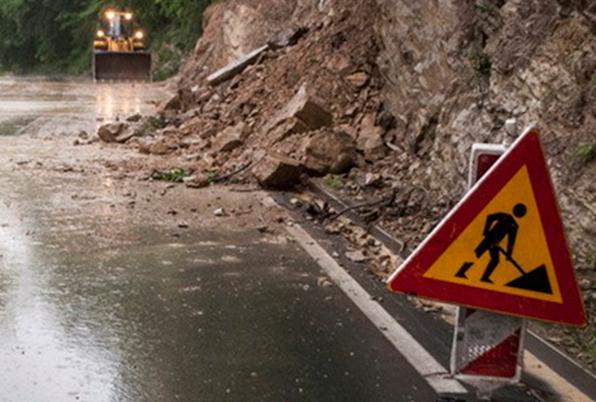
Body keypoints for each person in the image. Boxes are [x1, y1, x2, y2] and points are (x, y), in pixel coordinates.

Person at [456, 203, 527, 283]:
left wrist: (509, 254)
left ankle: (484, 277)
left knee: (495, 260)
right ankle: (461, 272)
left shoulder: (514, 225)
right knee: (476, 255)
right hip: (489, 239)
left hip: (495, 244)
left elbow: (511, 241)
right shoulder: (504, 216)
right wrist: (486, 231)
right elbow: (490, 217)